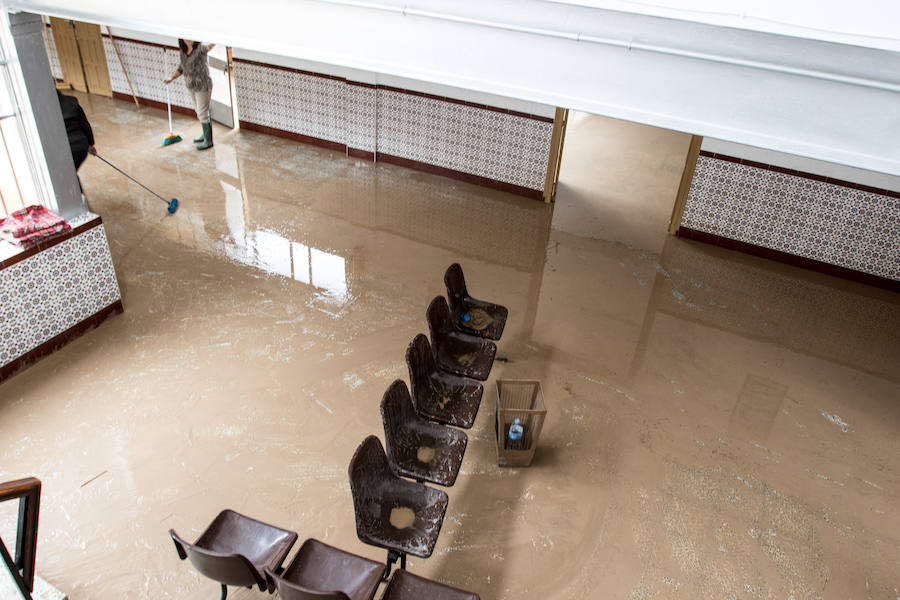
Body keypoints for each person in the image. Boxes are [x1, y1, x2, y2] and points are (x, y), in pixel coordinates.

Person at [164, 39, 215, 151]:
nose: (189, 40)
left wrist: (219, 37)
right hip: (191, 85)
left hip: (203, 85)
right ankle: (205, 135)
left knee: (202, 112)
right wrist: (171, 78)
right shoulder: (183, 51)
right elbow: (182, 67)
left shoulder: (200, 49)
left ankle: (209, 141)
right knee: (199, 111)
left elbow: (210, 46)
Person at [57, 89, 96, 170]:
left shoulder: (45, 109)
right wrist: (90, 144)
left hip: (66, 150)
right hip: (81, 146)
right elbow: (84, 124)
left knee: (70, 173)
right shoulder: (71, 102)